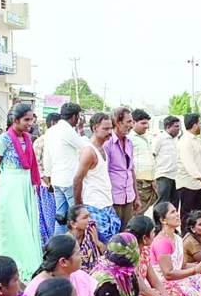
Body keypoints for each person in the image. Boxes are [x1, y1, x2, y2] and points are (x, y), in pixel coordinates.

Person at [0, 103, 43, 281]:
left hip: (25, 187)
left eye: (32, 119)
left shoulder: (28, 138)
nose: (30, 122)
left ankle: (29, 265)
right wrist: (1, 190)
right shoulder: (4, 139)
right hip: (10, 189)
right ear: (15, 120)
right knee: (13, 228)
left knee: (26, 226)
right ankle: (10, 267)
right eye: (27, 119)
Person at [127, 215, 192, 296]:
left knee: (174, 291)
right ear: (144, 238)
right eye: (153, 232)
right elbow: (142, 289)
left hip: (144, 292)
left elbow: (155, 282)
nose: (154, 235)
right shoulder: (130, 256)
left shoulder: (145, 250)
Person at [150, 202, 201, 296]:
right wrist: (195, 270)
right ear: (163, 220)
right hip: (163, 282)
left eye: (176, 211)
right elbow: (168, 274)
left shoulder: (177, 238)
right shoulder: (162, 241)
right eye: (173, 212)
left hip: (178, 277)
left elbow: (182, 266)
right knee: (192, 289)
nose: (177, 214)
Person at [74, 112, 121, 243]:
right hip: (94, 206)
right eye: (105, 129)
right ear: (95, 129)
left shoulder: (102, 149)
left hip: (106, 204)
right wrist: (79, 207)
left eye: (111, 128)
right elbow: (77, 179)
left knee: (108, 246)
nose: (110, 132)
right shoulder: (89, 151)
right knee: (99, 247)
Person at [43, 102, 86, 235]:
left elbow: (47, 156)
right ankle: (74, 248)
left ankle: (57, 248)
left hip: (56, 179)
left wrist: (48, 175)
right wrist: (81, 129)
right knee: (77, 217)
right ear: (74, 116)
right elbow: (84, 146)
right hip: (69, 180)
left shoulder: (51, 131)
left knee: (61, 217)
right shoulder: (67, 130)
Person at [104, 107, 139, 229]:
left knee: (126, 233)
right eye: (128, 122)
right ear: (118, 123)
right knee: (114, 235)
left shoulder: (129, 142)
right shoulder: (107, 143)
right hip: (113, 198)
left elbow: (131, 170)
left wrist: (136, 196)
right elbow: (105, 173)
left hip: (128, 196)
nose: (131, 125)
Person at [176, 113, 201, 228]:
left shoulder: (196, 140)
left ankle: (197, 240)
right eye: (200, 123)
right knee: (187, 216)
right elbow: (189, 164)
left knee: (199, 214)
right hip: (187, 185)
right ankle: (186, 241)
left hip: (197, 185)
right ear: (195, 125)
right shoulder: (185, 141)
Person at [34, 112, 58, 248]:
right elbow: (37, 166)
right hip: (46, 187)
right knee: (49, 221)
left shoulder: (59, 140)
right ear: (54, 124)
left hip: (58, 185)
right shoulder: (41, 141)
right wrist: (49, 183)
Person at [60, 204, 105, 272]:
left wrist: (97, 242)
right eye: (85, 217)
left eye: (89, 216)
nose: (90, 220)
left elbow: (107, 253)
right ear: (73, 224)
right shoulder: (65, 242)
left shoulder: (92, 232)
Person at [129, 109, 158, 215]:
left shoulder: (145, 137)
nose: (146, 126)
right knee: (136, 213)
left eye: (147, 123)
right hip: (139, 183)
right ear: (133, 123)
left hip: (148, 182)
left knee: (141, 213)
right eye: (143, 123)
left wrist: (153, 179)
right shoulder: (129, 139)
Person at [153, 115, 181, 208]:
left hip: (175, 177)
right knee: (162, 203)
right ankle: (157, 222)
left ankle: (172, 222)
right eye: (176, 126)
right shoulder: (160, 139)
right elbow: (152, 156)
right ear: (168, 127)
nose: (179, 129)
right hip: (163, 176)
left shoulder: (176, 139)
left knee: (174, 204)